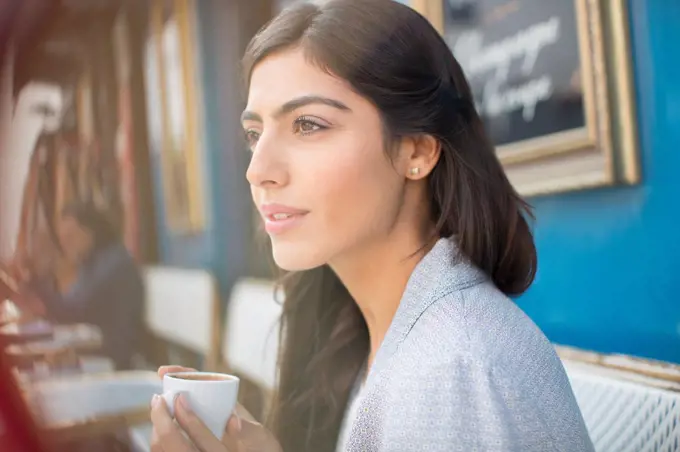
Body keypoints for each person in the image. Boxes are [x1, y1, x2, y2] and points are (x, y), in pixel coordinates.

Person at [149, 1, 595, 451]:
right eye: (254, 134)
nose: (258, 169)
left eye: (307, 124)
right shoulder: (373, 333)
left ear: (417, 152)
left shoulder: (449, 375)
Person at [21, 202, 144, 370]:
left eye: (70, 237)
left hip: (116, 362)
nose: (65, 246)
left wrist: (35, 289)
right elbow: (71, 307)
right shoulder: (92, 264)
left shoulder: (113, 264)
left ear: (90, 231)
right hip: (100, 354)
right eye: (62, 240)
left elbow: (75, 308)